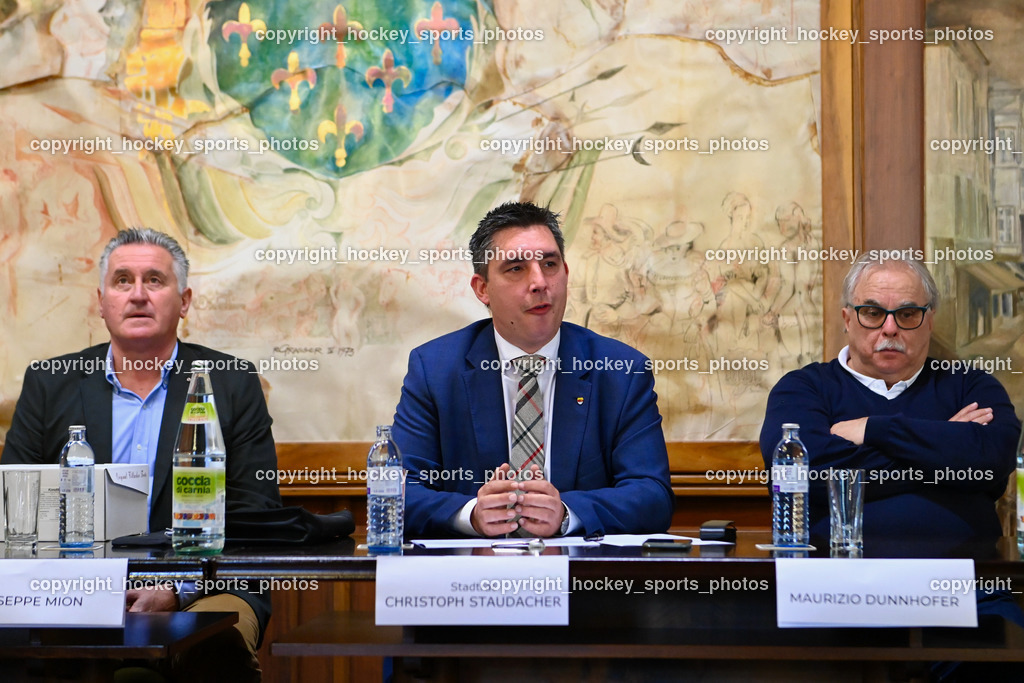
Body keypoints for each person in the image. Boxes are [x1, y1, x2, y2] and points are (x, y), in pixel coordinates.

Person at [2, 228, 280, 681]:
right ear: (101, 300)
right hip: (73, 584)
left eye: (154, 280)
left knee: (216, 642)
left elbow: (257, 513)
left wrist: (177, 589)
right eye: (122, 281)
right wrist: (89, 588)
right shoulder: (50, 382)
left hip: (206, 584)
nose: (137, 295)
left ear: (184, 300)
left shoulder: (232, 382)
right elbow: (15, 508)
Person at [393, 201, 673, 538]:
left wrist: (568, 512)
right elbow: (398, 493)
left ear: (566, 274)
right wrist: (472, 514)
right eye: (516, 269)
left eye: (550, 264)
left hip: (583, 583)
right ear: (482, 289)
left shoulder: (620, 371)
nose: (539, 282)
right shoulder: (435, 370)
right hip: (470, 581)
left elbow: (652, 496)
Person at [760, 253, 1019, 540]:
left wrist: (874, 429)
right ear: (847, 319)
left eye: (907, 314)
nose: (890, 328)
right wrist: (945, 446)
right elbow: (802, 475)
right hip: (830, 579)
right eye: (872, 313)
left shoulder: (971, 386)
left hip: (961, 580)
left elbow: (991, 462)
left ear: (930, 321)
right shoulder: (803, 389)